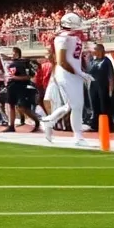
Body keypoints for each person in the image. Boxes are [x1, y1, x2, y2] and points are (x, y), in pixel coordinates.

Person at [41, 12, 91, 146]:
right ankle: (78, 137)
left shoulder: (74, 37)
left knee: (71, 105)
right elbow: (62, 61)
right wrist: (79, 73)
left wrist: (80, 72)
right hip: (66, 73)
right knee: (76, 106)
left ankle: (49, 121)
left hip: (73, 74)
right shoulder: (62, 38)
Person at [2, 47, 40, 133]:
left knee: (22, 107)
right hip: (11, 86)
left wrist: (17, 77)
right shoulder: (10, 63)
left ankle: (36, 120)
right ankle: (11, 126)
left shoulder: (24, 63)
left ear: (18, 53)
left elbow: (29, 76)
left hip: (22, 86)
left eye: (13, 53)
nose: (12, 55)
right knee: (11, 105)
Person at [87, 43, 114, 130]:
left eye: (95, 49)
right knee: (94, 105)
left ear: (100, 50)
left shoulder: (106, 61)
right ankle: (95, 125)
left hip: (103, 86)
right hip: (93, 86)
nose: (94, 51)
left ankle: (107, 125)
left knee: (104, 106)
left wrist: (111, 88)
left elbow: (111, 75)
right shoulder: (93, 61)